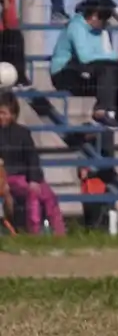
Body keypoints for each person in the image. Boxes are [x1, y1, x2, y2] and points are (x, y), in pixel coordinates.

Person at [50, 0, 118, 125]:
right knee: (108, 67)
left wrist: (117, 59)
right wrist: (115, 55)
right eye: (104, 19)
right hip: (65, 73)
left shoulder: (98, 31)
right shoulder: (76, 27)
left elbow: (102, 57)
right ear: (94, 16)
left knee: (117, 69)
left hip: (85, 71)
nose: (105, 23)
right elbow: (85, 57)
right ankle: (101, 110)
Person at [0, 91, 64, 235]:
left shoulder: (23, 133)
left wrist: (34, 179)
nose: (1, 117)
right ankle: (34, 232)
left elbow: (32, 157)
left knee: (48, 195)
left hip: (26, 176)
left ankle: (59, 233)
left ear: (13, 114)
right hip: (8, 178)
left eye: (4, 113)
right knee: (32, 193)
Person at [0, 0, 25, 84]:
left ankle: (20, 77)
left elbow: (11, 23)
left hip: (4, 39)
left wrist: (5, 1)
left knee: (15, 35)